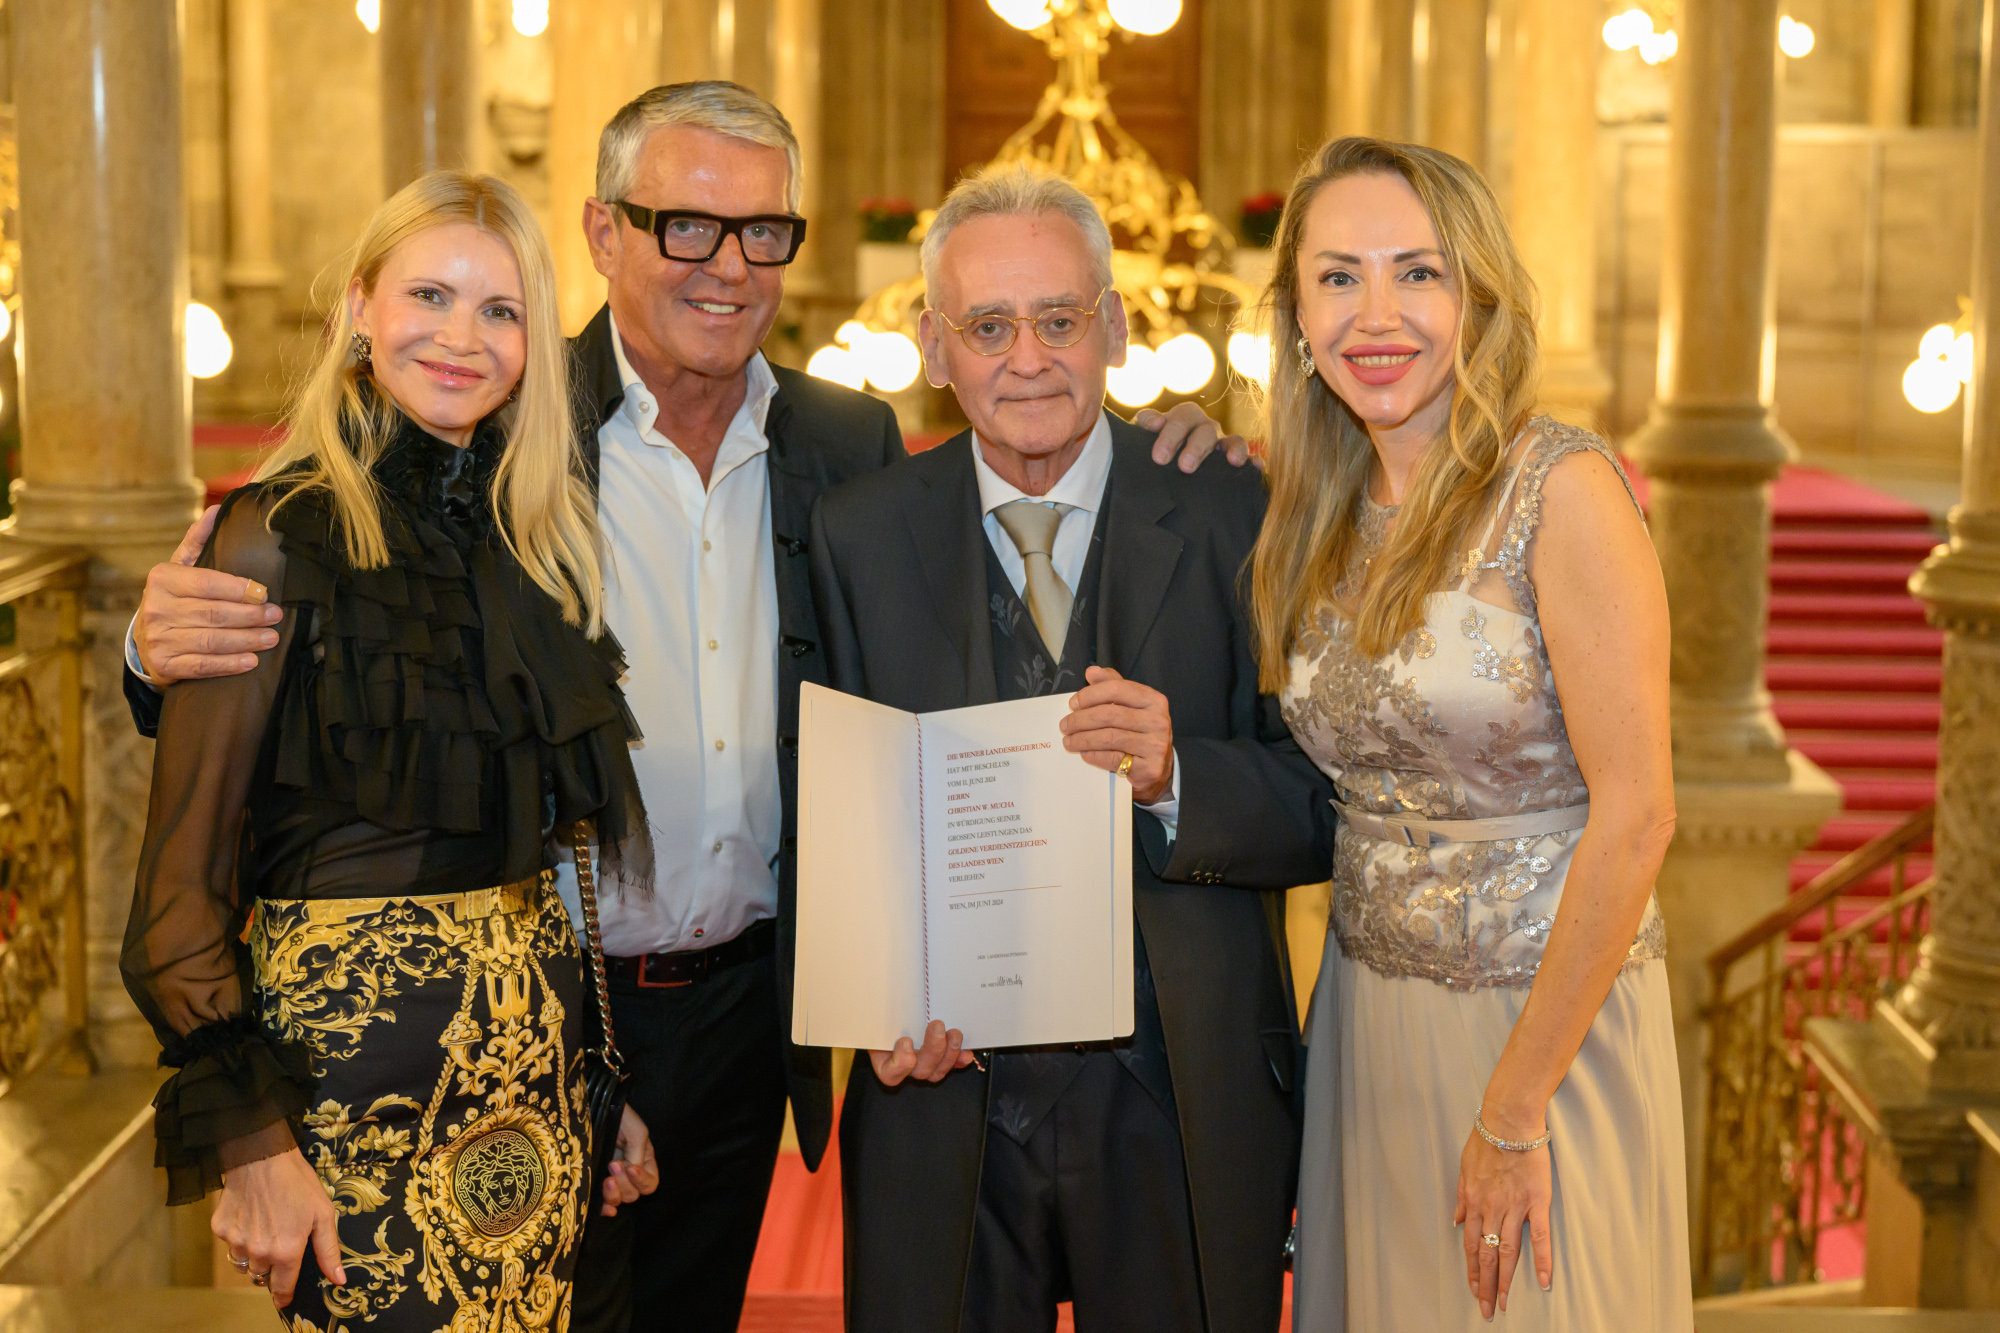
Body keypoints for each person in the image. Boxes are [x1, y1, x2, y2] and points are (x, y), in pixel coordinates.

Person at [119, 82, 1245, 1332]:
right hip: (550, 999)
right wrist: (150, 646)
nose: (728, 265)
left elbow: (918, 704)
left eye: (764, 231)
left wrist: (1167, 437)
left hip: (754, 1009)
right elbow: (362, 618)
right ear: (603, 233)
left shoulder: (846, 441)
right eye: (686, 226)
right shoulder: (504, 421)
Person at [118, 171, 660, 1331]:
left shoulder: (530, 544)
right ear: (359, 306)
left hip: (537, 1097)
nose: (462, 337)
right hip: (353, 1105)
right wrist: (255, 1148)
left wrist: (595, 1079)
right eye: (429, 294)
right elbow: (175, 904)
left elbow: (540, 865)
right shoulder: (273, 534)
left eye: (501, 309)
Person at [809, 164, 1336, 1333]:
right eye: (987, 326)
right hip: (944, 1097)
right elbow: (832, 813)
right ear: (933, 347)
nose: (1027, 359)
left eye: (1058, 319)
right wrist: (870, 1001)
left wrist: (1178, 777)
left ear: (1114, 326)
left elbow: (1326, 801)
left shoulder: (1234, 511)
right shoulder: (857, 535)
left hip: (1179, 1095)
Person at [1252, 137, 1693, 1331]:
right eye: (1337, 277)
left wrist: (1511, 1109)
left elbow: (1638, 815)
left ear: (1479, 295)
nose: (1374, 315)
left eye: (1418, 272)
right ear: (1294, 313)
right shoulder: (1312, 506)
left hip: (1538, 1034)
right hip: (1364, 1018)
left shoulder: (1560, 490)